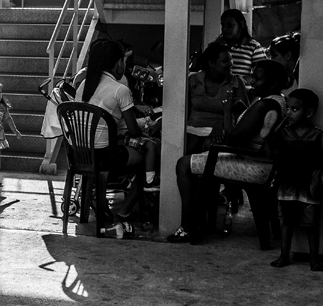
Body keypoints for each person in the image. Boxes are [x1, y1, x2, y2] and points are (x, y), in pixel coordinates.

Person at [169, 60, 288, 245]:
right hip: (263, 163)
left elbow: (233, 139)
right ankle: (198, 224)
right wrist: (241, 109)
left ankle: (188, 226)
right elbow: (255, 128)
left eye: (258, 78)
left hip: (253, 164)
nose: (252, 81)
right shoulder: (278, 101)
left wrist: (226, 112)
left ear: (273, 83)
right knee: (203, 161)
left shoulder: (263, 105)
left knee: (183, 164)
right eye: (252, 76)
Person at [75, 39, 160, 236]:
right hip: (105, 157)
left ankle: (109, 205)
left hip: (81, 154)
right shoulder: (120, 89)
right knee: (149, 157)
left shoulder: (84, 87)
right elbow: (134, 130)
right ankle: (123, 213)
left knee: (141, 150)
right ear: (118, 63)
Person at [271, 89, 323, 271]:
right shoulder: (283, 134)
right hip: (287, 184)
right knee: (287, 221)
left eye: (294, 109)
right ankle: (284, 255)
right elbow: (273, 154)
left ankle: (314, 259)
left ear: (309, 113)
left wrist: (321, 180)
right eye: (288, 108)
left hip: (309, 186)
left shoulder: (318, 135)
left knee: (311, 224)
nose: (289, 112)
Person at [186, 43, 249, 155]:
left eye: (231, 60)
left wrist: (222, 122)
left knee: (211, 145)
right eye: (225, 61)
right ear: (211, 63)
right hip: (193, 128)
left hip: (221, 131)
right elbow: (182, 109)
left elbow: (245, 115)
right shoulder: (193, 80)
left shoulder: (236, 82)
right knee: (189, 146)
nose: (230, 64)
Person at [211, 8, 266, 89]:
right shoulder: (217, 46)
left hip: (245, 94)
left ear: (241, 25)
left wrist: (241, 80)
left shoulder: (253, 46)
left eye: (230, 25)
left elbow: (262, 73)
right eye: (223, 25)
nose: (225, 29)